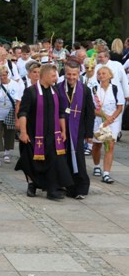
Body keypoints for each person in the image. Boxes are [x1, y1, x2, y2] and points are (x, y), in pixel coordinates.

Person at [15, 64, 73, 200]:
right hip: (35, 134)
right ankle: (33, 184)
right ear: (45, 75)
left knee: (54, 161)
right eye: (53, 75)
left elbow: (60, 113)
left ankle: (52, 190)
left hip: (53, 135)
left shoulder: (56, 91)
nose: (56, 78)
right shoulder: (31, 92)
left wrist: (63, 131)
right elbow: (23, 113)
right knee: (34, 162)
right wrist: (23, 132)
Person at [58, 60, 95, 198]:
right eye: (69, 74)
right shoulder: (58, 88)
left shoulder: (85, 90)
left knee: (78, 157)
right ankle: (68, 186)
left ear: (79, 74)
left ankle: (81, 187)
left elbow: (90, 112)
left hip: (78, 129)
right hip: (62, 129)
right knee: (64, 157)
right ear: (65, 73)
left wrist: (89, 133)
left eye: (74, 74)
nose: (71, 77)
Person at [90, 65, 124, 184]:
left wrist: (111, 118)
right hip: (98, 121)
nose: (101, 75)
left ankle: (106, 173)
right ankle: (96, 165)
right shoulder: (94, 89)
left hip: (113, 122)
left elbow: (120, 107)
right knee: (97, 145)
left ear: (110, 75)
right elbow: (92, 108)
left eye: (104, 73)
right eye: (99, 74)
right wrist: (104, 117)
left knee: (110, 145)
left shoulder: (116, 89)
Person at [0, 65, 22, 166]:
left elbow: (18, 101)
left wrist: (17, 117)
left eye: (4, 75)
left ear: (7, 74)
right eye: (0, 76)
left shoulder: (14, 85)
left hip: (10, 112)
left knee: (9, 133)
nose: (2, 77)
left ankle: (7, 152)